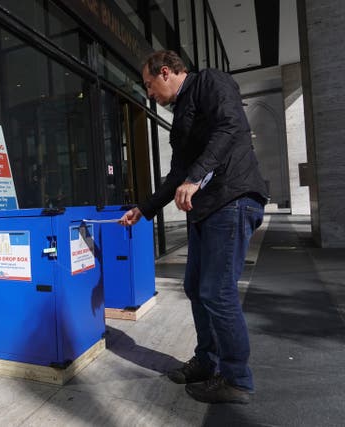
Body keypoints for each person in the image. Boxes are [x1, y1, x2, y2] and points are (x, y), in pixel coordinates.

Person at [119, 50, 268, 404]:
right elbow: (176, 175)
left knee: (217, 291)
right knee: (196, 287)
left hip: (232, 198)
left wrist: (197, 176)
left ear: (166, 72)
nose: (149, 93)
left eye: (149, 84)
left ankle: (237, 379)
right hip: (208, 209)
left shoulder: (209, 82)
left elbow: (232, 126)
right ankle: (207, 361)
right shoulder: (181, 117)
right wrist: (144, 209)